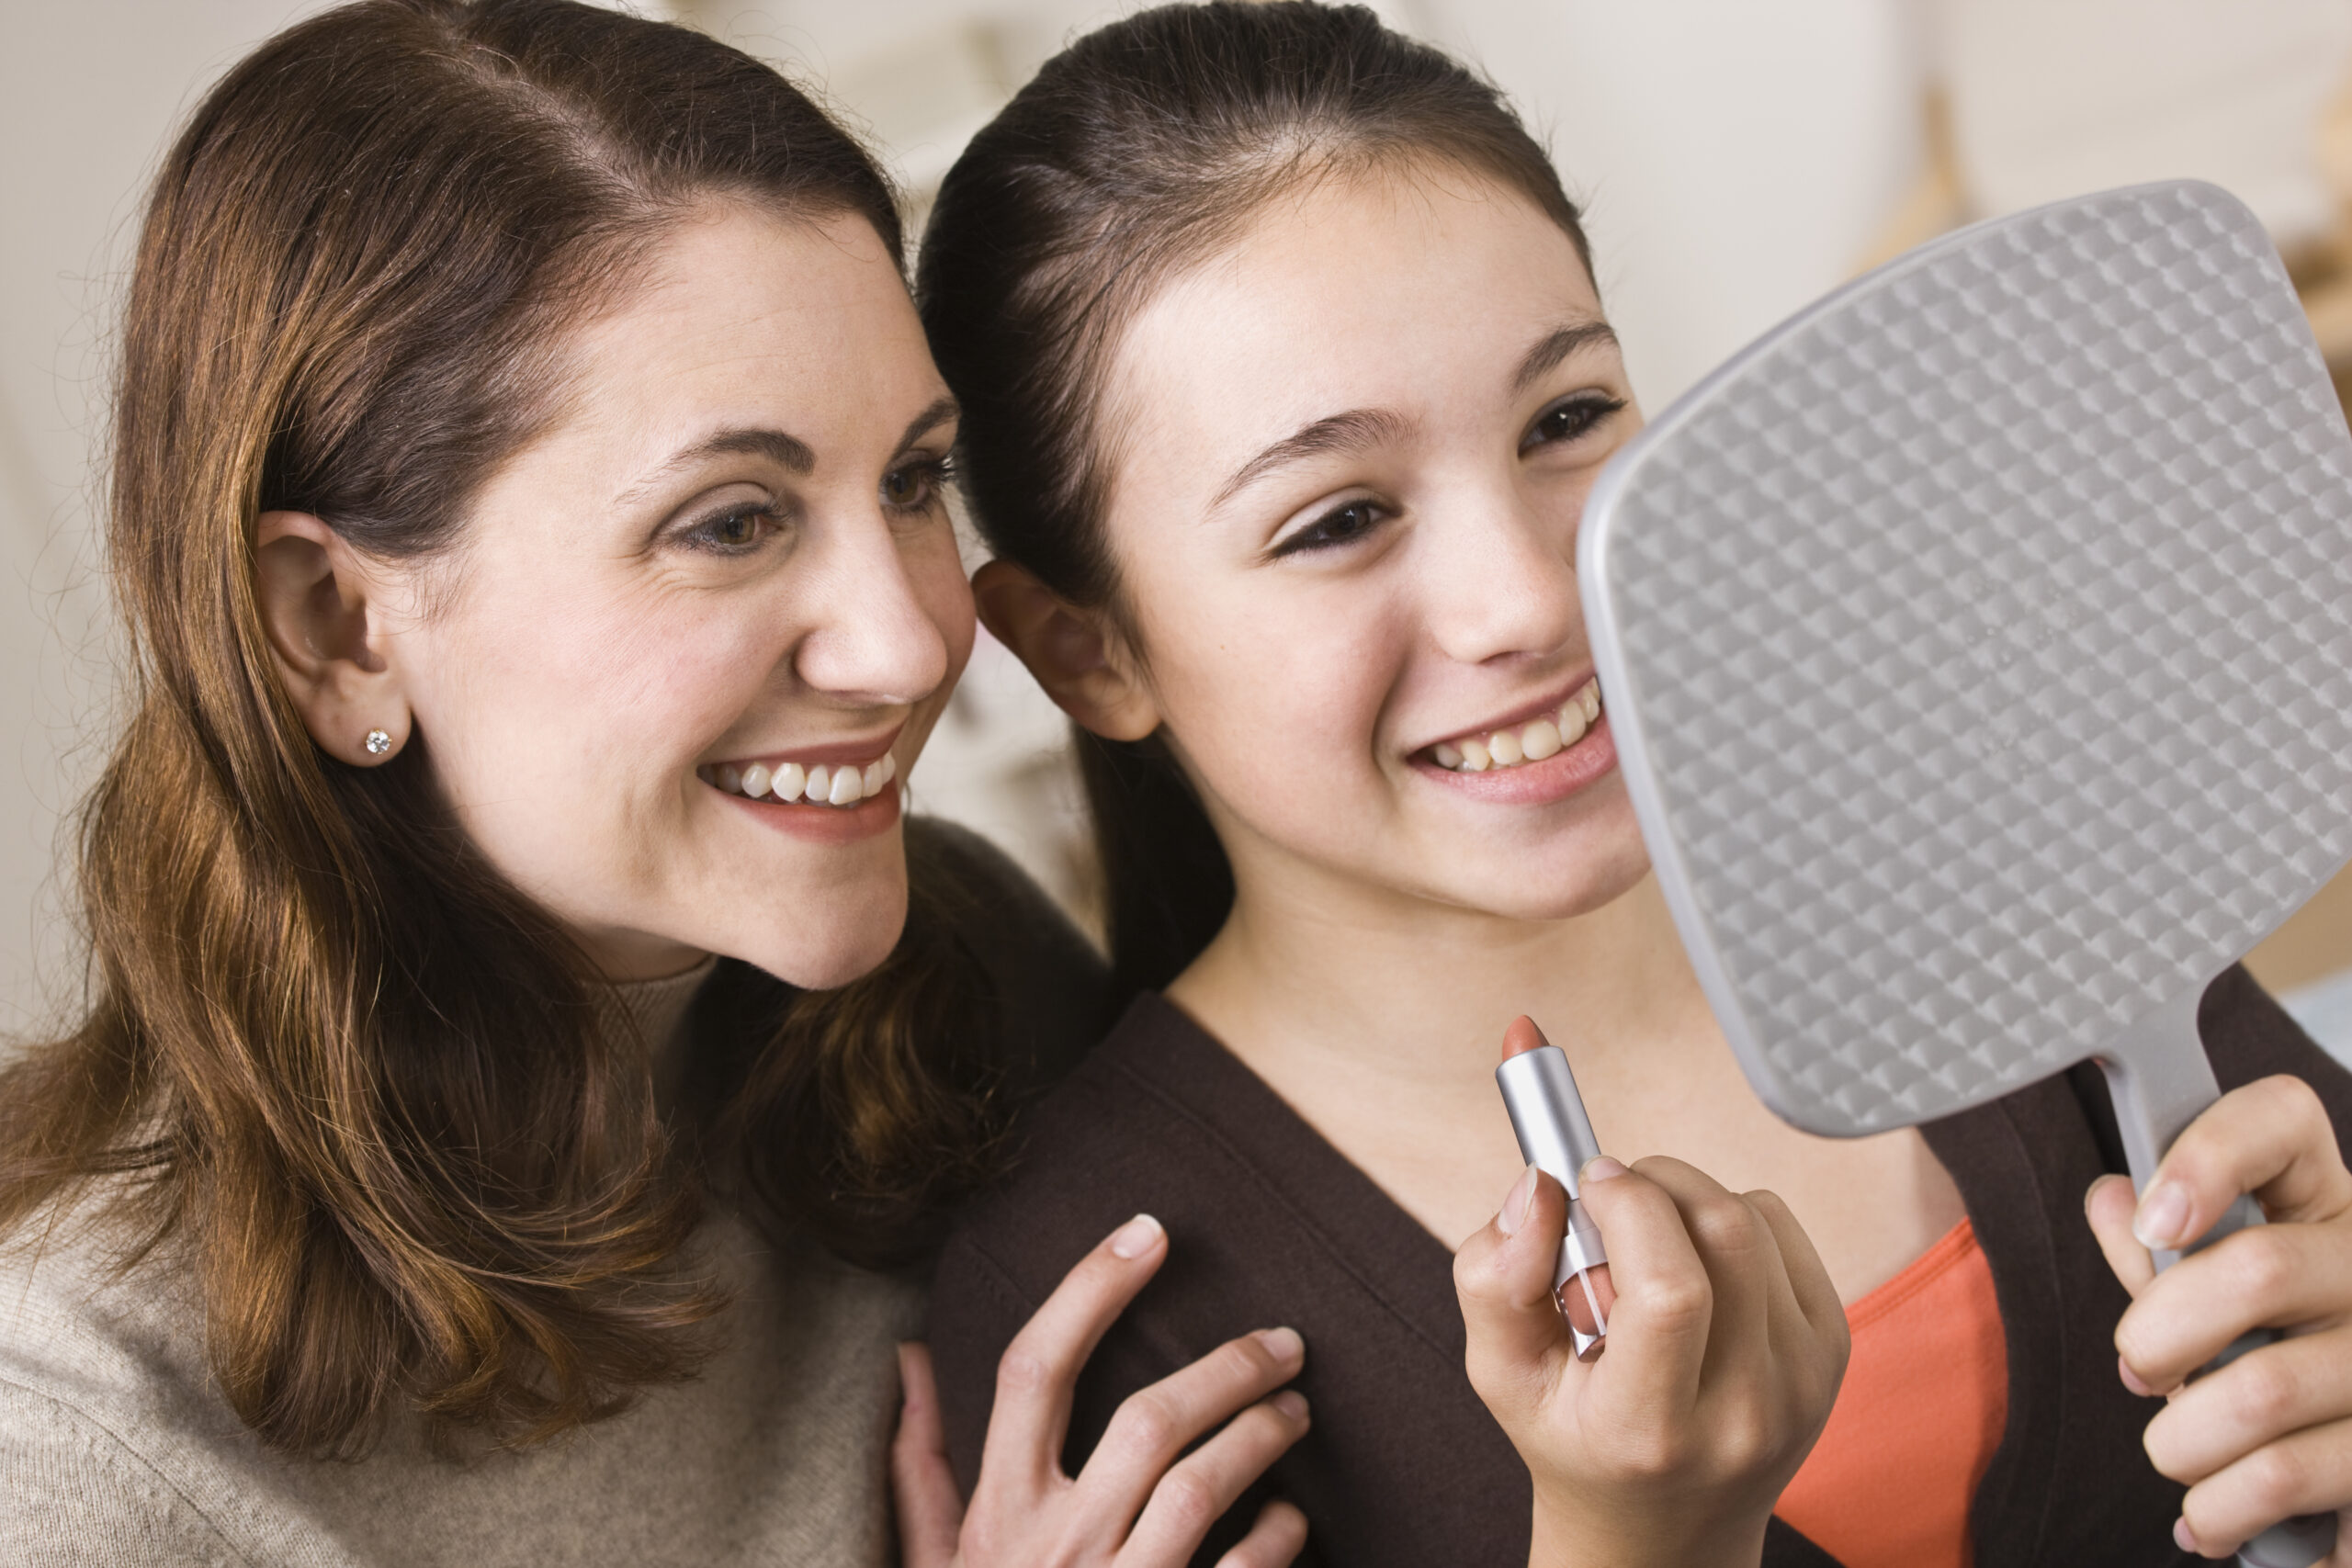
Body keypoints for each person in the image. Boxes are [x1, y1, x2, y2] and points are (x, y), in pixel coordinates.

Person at [912, 5, 2352, 1566]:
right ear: (1085, 650)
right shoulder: (1109, 1338)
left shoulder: (1997, 860)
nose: (1531, 598)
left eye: (1568, 418)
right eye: (1336, 520)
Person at [0, 4, 1314, 1565]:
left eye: (909, 483)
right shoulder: (83, 1452)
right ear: (337, 629)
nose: (910, 644)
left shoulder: (963, 970)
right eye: (732, 521)